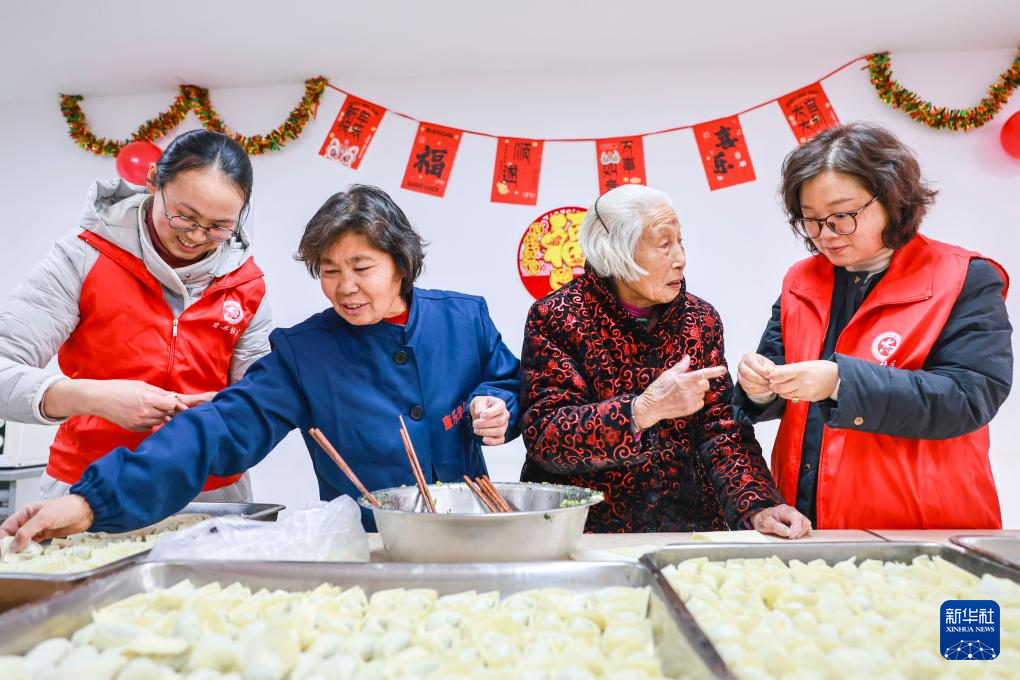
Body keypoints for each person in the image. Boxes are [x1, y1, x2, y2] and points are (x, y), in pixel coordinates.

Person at [1, 185, 520, 546]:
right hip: (371, 546)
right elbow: (217, 429)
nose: (345, 287)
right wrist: (91, 503)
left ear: (401, 265)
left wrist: (500, 406)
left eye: (362, 267)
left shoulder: (464, 318)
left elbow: (508, 382)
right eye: (329, 271)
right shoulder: (305, 352)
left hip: (474, 531)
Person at [734, 122, 1012, 530]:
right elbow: (777, 376)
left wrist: (839, 383)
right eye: (811, 219)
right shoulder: (800, 280)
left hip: (920, 525)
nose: (826, 235)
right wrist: (759, 388)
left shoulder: (964, 277)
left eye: (842, 215)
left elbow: (969, 399)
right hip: (805, 521)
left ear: (892, 198)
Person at [519, 184, 810, 537]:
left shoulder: (699, 319)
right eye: (663, 244)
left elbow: (721, 429)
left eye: (680, 241)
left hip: (687, 530)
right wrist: (640, 411)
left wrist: (759, 505)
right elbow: (546, 435)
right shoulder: (558, 316)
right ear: (616, 252)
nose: (680, 258)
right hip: (585, 533)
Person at [0, 129, 270, 504]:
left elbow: (262, 400)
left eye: (219, 227)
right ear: (153, 180)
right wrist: (93, 397)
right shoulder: (82, 257)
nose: (196, 236)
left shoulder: (246, 283)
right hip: (88, 487)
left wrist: (229, 412)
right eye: (184, 217)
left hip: (210, 495)